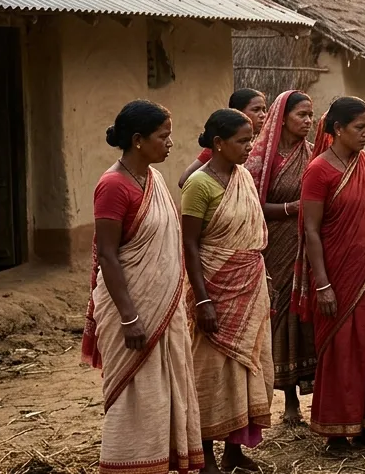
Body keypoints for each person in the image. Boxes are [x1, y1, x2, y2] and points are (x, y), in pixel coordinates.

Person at [83, 100, 204, 474]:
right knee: (135, 395)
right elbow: (107, 254)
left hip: (162, 309)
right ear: (138, 140)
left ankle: (160, 462)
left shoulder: (151, 179)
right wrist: (129, 316)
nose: (170, 143)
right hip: (131, 310)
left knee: (163, 393)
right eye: (163, 136)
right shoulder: (113, 186)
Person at [294, 97, 365, 451]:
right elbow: (311, 230)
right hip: (337, 278)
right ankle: (337, 431)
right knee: (342, 349)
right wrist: (322, 284)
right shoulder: (319, 171)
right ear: (338, 129)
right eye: (359, 128)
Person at [182, 109, 273, 474]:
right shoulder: (199, 184)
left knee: (247, 369)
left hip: (250, 286)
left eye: (250, 140)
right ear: (218, 143)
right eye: (241, 141)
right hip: (213, 288)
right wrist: (203, 299)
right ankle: (204, 456)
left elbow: (252, 238)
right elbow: (189, 245)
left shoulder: (244, 179)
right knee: (209, 372)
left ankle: (234, 452)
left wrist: (265, 282)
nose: (249, 148)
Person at [241, 90, 316, 425]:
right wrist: (290, 209)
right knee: (279, 312)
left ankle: (307, 393)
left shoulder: (313, 156)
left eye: (311, 115)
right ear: (283, 118)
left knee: (304, 317)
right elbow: (251, 202)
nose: (308, 122)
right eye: (302, 115)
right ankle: (286, 401)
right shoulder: (261, 159)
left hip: (306, 247)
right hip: (272, 247)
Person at [179, 89, 268, 188]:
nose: (263, 115)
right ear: (238, 112)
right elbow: (184, 180)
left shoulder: (262, 143)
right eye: (256, 110)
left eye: (264, 110)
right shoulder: (223, 147)